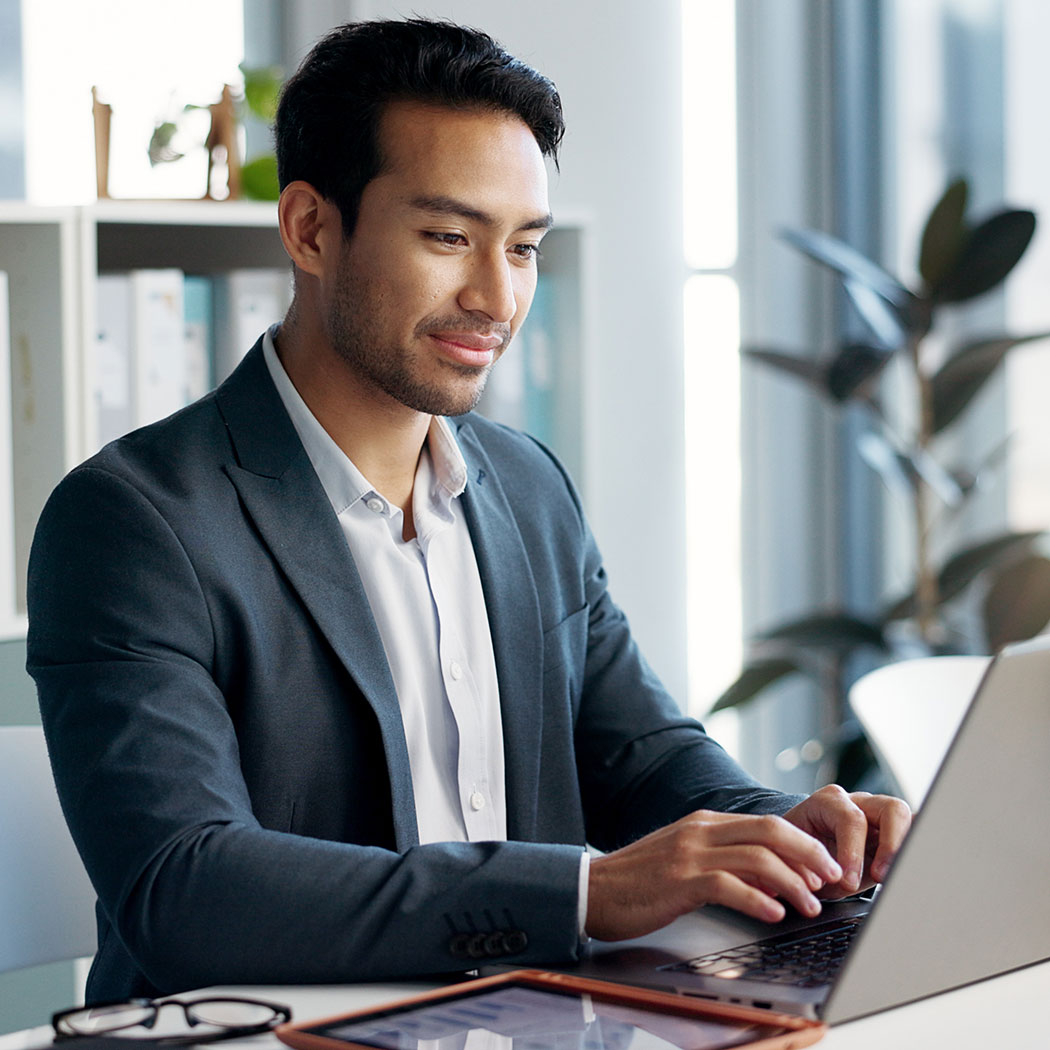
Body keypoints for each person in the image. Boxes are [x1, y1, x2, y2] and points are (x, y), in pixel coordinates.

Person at [26, 19, 910, 1003]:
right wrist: (585, 892)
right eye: (449, 237)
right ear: (311, 228)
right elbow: (185, 891)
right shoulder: (131, 522)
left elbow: (644, 758)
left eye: (523, 247)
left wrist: (799, 828)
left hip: (519, 1018)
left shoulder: (528, 487)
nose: (496, 297)